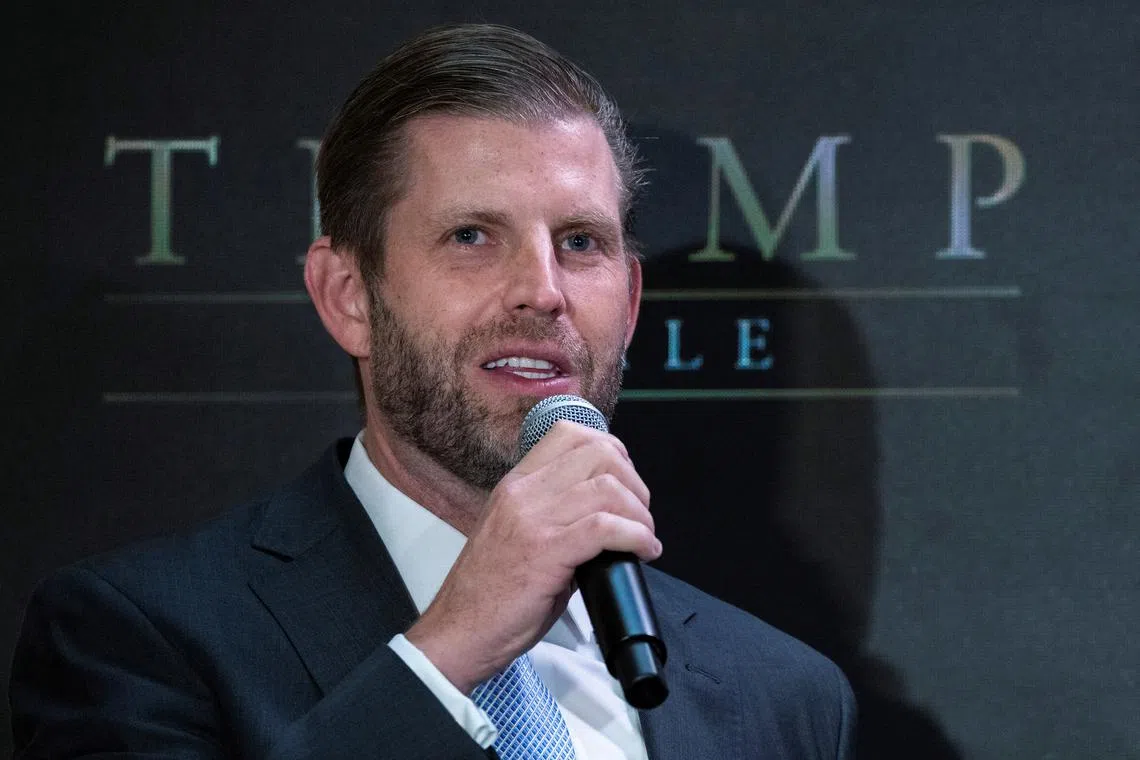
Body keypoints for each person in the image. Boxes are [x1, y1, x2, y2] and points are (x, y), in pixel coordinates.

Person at [10, 24, 855, 759]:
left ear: (630, 305)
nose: (542, 290)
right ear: (349, 297)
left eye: (579, 241)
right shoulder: (139, 639)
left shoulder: (783, 696)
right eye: (471, 235)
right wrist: (452, 648)